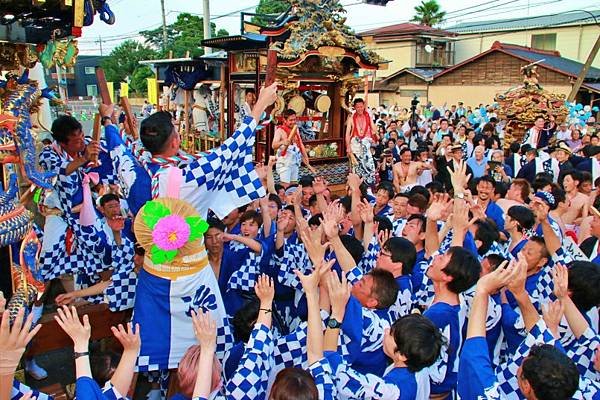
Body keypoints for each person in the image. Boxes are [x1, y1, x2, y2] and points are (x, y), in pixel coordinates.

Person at [101, 82, 279, 375]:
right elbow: (230, 150)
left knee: (154, 348)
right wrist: (259, 107)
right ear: (174, 140)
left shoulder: (136, 168)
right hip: (193, 276)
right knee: (207, 347)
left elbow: (119, 148)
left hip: (154, 276)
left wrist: (109, 121)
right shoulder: (189, 175)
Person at [272, 109, 316, 188]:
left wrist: (306, 158)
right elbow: (274, 145)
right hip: (284, 163)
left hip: (294, 161)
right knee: (285, 185)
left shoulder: (296, 129)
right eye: (290, 120)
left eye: (294, 119)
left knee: (294, 185)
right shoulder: (279, 131)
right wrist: (282, 142)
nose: (293, 122)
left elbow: (300, 144)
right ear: (284, 120)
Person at [345, 98, 378, 186]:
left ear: (364, 107)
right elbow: (347, 134)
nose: (360, 109)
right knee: (356, 169)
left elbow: (373, 128)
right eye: (358, 107)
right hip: (355, 146)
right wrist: (348, 147)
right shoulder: (351, 118)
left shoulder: (368, 116)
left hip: (366, 147)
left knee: (369, 167)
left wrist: (376, 134)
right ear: (355, 108)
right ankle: (356, 187)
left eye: (361, 107)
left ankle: (369, 187)